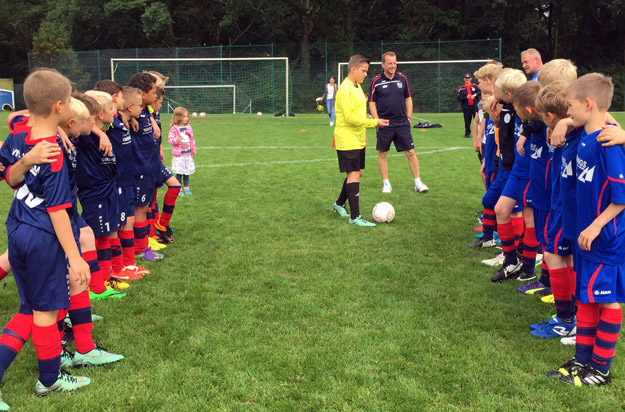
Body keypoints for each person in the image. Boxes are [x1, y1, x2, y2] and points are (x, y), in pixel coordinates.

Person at [0, 68, 91, 403]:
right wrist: (75, 256)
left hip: (18, 230)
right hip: (42, 237)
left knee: (29, 308)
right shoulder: (52, 152)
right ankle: (49, 380)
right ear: (58, 106)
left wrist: (24, 161)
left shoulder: (19, 136)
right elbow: (57, 211)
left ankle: (51, 373)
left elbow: (9, 178)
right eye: (68, 100)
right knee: (44, 313)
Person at [549, 73, 625, 386]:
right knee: (587, 298)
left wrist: (594, 226)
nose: (567, 112)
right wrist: (566, 123)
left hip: (604, 238)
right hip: (585, 236)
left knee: (607, 300)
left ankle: (601, 369)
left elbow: (621, 198)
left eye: (570, 107)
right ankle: (583, 360)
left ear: (588, 104)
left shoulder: (609, 143)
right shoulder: (585, 136)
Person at [331, 54, 388, 226]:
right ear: (353, 69)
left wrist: (363, 133)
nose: (365, 74)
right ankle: (355, 217)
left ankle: (339, 204)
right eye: (363, 71)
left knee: (357, 172)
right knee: (354, 173)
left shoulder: (356, 87)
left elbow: (358, 115)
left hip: (356, 137)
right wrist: (374, 123)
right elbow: (349, 118)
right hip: (346, 138)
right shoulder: (345, 88)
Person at [369, 51, 428, 193]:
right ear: (383, 64)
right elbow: (372, 102)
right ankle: (386, 184)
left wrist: (409, 117)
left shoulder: (402, 79)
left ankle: (418, 183)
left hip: (402, 122)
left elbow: (408, 98)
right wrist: (377, 120)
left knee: (411, 153)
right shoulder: (376, 81)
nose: (393, 66)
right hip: (385, 123)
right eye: (390, 63)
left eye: (394, 63)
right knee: (382, 153)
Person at [128, 72, 164, 261]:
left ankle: (143, 246)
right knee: (139, 209)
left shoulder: (144, 111)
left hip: (149, 166)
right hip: (139, 169)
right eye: (152, 91)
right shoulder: (131, 113)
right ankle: (142, 249)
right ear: (142, 93)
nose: (155, 95)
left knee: (144, 207)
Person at [168, 106, 197, 194]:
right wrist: (177, 140)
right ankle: (179, 188)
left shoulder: (188, 127)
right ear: (178, 117)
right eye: (184, 116)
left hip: (187, 154)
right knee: (179, 172)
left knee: (186, 171)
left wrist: (194, 148)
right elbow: (170, 140)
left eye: (187, 116)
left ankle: (186, 188)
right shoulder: (174, 128)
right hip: (179, 155)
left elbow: (192, 139)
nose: (186, 118)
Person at [457, 73, 481, 138]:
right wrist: (466, 97)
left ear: (470, 79)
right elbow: (459, 98)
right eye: (466, 78)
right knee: (467, 121)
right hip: (466, 107)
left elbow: (480, 91)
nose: (467, 79)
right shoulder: (461, 88)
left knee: (478, 120)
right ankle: (467, 133)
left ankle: (479, 133)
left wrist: (475, 95)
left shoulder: (475, 86)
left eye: (468, 78)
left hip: (475, 107)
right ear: (464, 79)